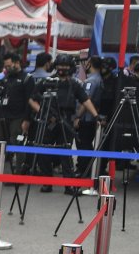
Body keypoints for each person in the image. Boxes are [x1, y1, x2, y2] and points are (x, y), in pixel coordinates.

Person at [28, 53, 101, 192]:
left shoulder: (74, 84)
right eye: (60, 65)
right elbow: (32, 100)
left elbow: (85, 100)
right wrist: (43, 112)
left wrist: (96, 116)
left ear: (71, 67)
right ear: (56, 66)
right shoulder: (47, 81)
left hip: (66, 120)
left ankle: (69, 185)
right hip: (48, 120)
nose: (63, 68)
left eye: (66, 66)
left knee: (66, 152)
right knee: (43, 151)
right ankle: (47, 183)